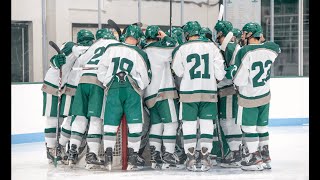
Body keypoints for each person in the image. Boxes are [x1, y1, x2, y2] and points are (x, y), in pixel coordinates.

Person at [171, 21, 226, 171]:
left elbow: (179, 71)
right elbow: (220, 72)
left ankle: (190, 159)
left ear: (187, 34)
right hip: (209, 92)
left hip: (188, 93)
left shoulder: (182, 49)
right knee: (207, 125)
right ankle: (206, 158)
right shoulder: (212, 47)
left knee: (189, 126)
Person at [97, 25, 151, 171]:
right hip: (131, 90)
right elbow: (145, 79)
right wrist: (139, 86)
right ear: (139, 38)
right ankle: (132, 160)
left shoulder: (111, 48)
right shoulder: (139, 53)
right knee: (135, 126)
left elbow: (100, 70)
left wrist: (108, 82)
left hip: (113, 88)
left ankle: (108, 159)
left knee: (110, 125)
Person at [230, 22, 281, 171]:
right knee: (262, 127)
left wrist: (232, 72)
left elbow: (239, 79)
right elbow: (273, 46)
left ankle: (253, 158)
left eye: (245, 33)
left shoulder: (244, 52)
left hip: (249, 96)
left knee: (249, 128)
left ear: (251, 35)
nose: (243, 36)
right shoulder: (271, 49)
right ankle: (265, 156)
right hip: (265, 95)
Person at [41, 29, 94, 165]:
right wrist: (55, 61)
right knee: (54, 119)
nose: (88, 42)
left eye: (90, 40)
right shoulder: (71, 46)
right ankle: (52, 149)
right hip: (53, 84)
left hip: (66, 86)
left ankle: (60, 146)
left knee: (68, 117)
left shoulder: (84, 50)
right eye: (86, 40)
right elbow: (54, 61)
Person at [67, 29, 118, 168]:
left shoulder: (95, 44)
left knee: (79, 118)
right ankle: (92, 154)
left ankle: (72, 152)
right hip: (98, 82)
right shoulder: (115, 44)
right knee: (95, 119)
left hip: (83, 81)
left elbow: (82, 60)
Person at [142, 25, 179, 169]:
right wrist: (166, 38)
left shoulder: (143, 50)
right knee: (171, 124)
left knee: (157, 125)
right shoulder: (159, 49)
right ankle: (168, 155)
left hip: (149, 95)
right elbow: (177, 50)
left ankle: (155, 155)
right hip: (163, 91)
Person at [214, 20, 243, 168]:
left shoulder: (229, 47)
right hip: (230, 89)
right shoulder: (230, 46)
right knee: (228, 121)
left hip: (229, 89)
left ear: (220, 32)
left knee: (229, 121)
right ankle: (236, 151)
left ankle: (236, 152)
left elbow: (229, 70)